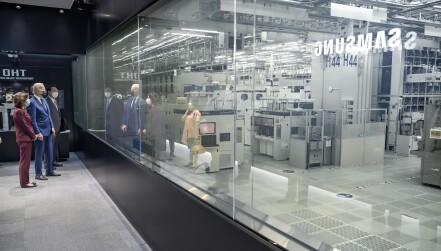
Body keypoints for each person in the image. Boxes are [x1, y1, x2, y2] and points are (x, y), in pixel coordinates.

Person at [27, 83, 61, 180]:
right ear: (36, 90)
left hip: (49, 131)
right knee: (39, 154)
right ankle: (38, 174)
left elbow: (48, 115)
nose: (44, 90)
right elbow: (32, 120)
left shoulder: (44, 100)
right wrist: (37, 133)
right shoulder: (32, 102)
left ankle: (49, 171)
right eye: (42, 88)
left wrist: (52, 127)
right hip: (40, 132)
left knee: (49, 152)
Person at [13, 92, 38, 188]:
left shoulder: (20, 110)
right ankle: (24, 182)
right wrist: (33, 135)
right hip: (25, 139)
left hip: (25, 138)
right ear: (21, 101)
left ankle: (25, 180)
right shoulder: (19, 111)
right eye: (26, 99)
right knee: (25, 162)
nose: (28, 101)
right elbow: (26, 126)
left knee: (25, 161)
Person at [121, 83, 146, 151]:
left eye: (134, 89)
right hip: (127, 128)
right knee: (127, 146)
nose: (132, 91)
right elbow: (125, 113)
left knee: (136, 147)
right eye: (132, 89)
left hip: (136, 129)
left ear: (138, 90)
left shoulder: (142, 102)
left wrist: (140, 128)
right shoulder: (129, 100)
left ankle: (136, 159)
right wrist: (123, 124)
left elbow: (143, 117)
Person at [46, 85, 63, 168]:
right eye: (54, 90)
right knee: (49, 147)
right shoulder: (46, 101)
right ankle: (48, 164)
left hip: (57, 127)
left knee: (55, 146)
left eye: (57, 90)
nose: (56, 92)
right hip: (51, 128)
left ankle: (53, 161)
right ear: (49, 92)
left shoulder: (55, 101)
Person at [146, 92, 165, 159]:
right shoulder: (153, 108)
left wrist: (147, 129)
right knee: (154, 148)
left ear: (152, 99)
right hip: (154, 131)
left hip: (155, 131)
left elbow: (154, 121)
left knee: (155, 148)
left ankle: (155, 162)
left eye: (148, 97)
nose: (147, 99)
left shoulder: (156, 108)